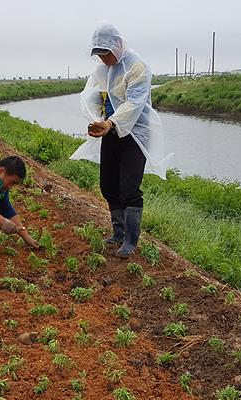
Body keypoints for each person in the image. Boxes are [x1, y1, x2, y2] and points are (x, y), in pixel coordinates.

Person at [71, 22, 170, 259]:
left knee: (129, 188)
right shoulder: (102, 71)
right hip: (111, 133)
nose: (103, 59)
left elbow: (134, 104)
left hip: (135, 135)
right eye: (99, 55)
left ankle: (131, 239)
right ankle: (118, 231)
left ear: (117, 45)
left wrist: (110, 123)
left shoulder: (137, 67)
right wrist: (97, 120)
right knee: (108, 185)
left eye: (106, 53)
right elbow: (92, 95)